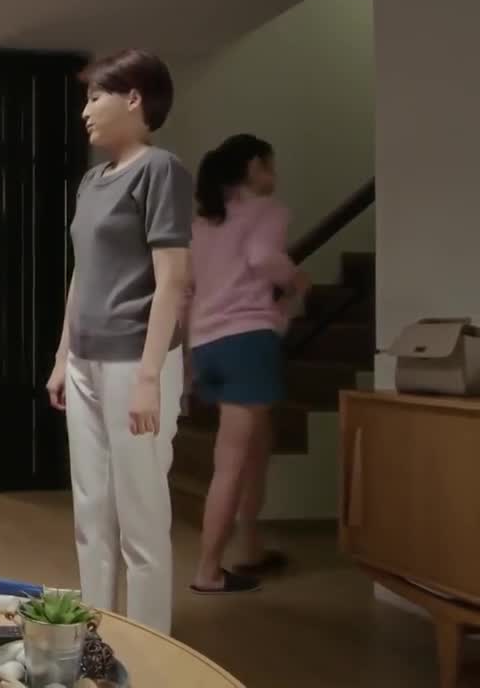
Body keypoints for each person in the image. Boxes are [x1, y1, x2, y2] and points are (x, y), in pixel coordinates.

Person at [46, 49, 193, 635]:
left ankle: (150, 647)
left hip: (137, 360)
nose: (85, 110)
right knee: (91, 511)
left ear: (134, 98)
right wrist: (63, 357)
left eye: (95, 97)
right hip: (85, 360)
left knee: (141, 517)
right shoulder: (91, 181)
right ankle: (96, 635)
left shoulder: (162, 170)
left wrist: (150, 379)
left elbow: (172, 278)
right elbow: (82, 273)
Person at [185, 134, 309, 594]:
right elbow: (263, 258)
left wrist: (188, 358)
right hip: (246, 340)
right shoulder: (267, 211)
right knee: (233, 461)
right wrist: (296, 279)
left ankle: (250, 547)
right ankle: (209, 571)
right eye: (270, 165)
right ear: (254, 166)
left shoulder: (201, 225)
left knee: (258, 445)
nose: (274, 175)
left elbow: (187, 290)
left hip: (208, 344)